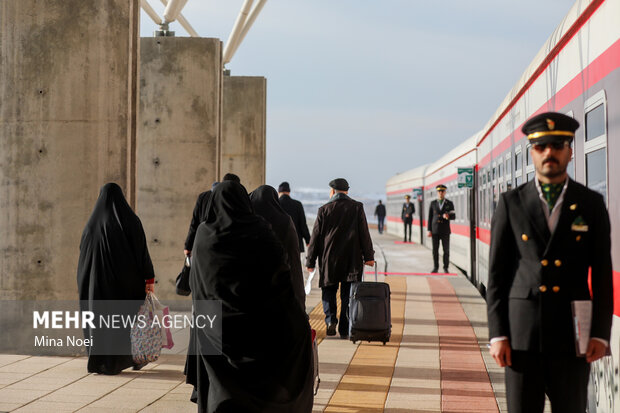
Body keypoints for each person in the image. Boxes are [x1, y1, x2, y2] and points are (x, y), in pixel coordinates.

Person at [486, 112, 613, 413]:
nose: (549, 153)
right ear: (532, 152)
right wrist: (498, 334)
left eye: (557, 146)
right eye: (541, 147)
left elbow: (603, 273)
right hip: (520, 336)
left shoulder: (590, 203)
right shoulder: (511, 203)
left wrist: (599, 332)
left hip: (573, 335)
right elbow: (497, 275)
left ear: (569, 151)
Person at [189, 181, 314, 412]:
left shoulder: (204, 235)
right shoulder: (260, 230)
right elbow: (281, 280)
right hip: (257, 326)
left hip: (214, 327)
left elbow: (196, 281)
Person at [77, 183, 155, 375]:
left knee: (97, 320)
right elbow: (141, 252)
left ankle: (98, 361)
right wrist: (149, 277)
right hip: (122, 284)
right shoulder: (130, 220)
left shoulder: (90, 225)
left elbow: (83, 255)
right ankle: (119, 361)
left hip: (92, 284)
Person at [306, 178, 375, 339]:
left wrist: (310, 261)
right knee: (348, 294)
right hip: (352, 259)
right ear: (347, 191)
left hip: (329, 259)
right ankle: (344, 327)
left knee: (328, 291)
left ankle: (331, 320)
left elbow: (315, 238)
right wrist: (369, 257)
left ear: (332, 191)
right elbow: (364, 234)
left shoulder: (324, 209)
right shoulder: (357, 207)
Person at [250, 185, 306, 311]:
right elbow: (293, 256)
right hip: (281, 281)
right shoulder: (285, 220)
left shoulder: (249, 221)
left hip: (255, 282)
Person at [184, 181, 219, 258]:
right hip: (217, 243)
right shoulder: (224, 197)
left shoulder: (203, 196)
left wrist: (188, 246)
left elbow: (194, 223)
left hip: (202, 241)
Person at [427, 184, 455, 273]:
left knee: (446, 250)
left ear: (445, 192)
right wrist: (429, 230)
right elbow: (430, 217)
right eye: (439, 191)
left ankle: (445, 267)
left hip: (445, 230)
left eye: (442, 191)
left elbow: (453, 216)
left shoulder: (449, 203)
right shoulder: (433, 203)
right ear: (437, 192)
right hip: (435, 230)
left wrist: (448, 216)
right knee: (435, 250)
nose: (440, 193)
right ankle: (435, 267)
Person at [278, 182, 311, 253]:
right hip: (295, 242)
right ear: (289, 192)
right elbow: (303, 224)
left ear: (279, 192)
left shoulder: (275, 204)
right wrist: (308, 240)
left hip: (279, 242)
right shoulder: (297, 204)